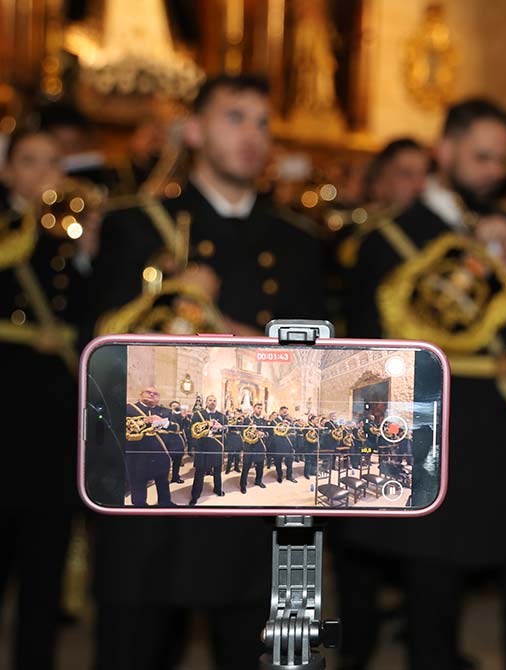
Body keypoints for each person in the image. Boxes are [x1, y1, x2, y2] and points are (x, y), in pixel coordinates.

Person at [89, 74, 326, 670]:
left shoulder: (299, 240)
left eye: (263, 122)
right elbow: (96, 359)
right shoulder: (137, 225)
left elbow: (324, 369)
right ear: (193, 130)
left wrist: (251, 347)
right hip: (158, 478)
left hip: (263, 476)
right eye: (235, 117)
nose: (253, 135)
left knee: (269, 652)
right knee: (137, 647)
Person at [341, 97, 506, 670]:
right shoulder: (392, 238)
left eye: (501, 159)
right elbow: (369, 358)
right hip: (442, 437)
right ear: (443, 152)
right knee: (434, 601)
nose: (494, 171)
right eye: (481, 157)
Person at [0, 127, 95, 669]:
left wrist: (88, 255)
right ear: (9, 171)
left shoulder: (71, 240)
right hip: (5, 403)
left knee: (45, 560)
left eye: (52, 163)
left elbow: (89, 318)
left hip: (55, 414)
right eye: (28, 161)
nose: (40, 173)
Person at [188, 395, 226, 505]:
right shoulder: (198, 414)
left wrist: (221, 428)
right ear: (206, 402)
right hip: (202, 445)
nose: (212, 402)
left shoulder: (221, 416)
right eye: (210, 400)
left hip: (216, 445)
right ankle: (195, 495)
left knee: (218, 471)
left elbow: (226, 430)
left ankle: (218, 489)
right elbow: (193, 430)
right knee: (200, 472)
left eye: (214, 400)